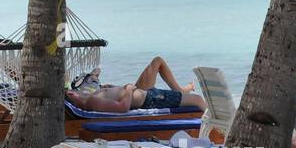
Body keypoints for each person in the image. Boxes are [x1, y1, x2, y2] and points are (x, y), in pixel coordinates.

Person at [66, 56, 206, 113]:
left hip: (142, 93)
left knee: (158, 61)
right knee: (198, 100)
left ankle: (182, 90)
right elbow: (123, 108)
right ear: (72, 93)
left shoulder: (91, 97)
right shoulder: (91, 101)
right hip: (151, 98)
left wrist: (108, 87)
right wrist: (127, 89)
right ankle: (219, 129)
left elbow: (96, 73)